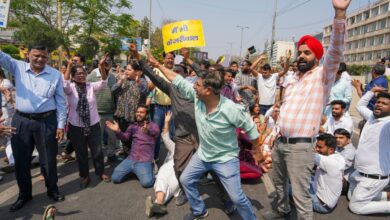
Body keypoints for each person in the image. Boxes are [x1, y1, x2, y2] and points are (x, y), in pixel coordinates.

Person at [146, 48, 261, 220]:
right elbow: (175, 78)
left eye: (198, 85)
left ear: (208, 91)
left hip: (226, 159)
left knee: (237, 197)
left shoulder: (231, 109)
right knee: (185, 180)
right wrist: (157, 65)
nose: (194, 85)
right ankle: (199, 210)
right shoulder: (196, 96)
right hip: (203, 155)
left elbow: (252, 129)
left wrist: (257, 151)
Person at [262, 1, 350, 219]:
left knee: (301, 195)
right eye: (300, 52)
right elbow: (283, 114)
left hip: (301, 147)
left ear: (317, 57)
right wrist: (271, 138)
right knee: (279, 183)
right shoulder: (291, 79)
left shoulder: (323, 76)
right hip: (281, 142)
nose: (301, 56)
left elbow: (336, 50)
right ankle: (282, 211)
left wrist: (340, 13)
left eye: (307, 53)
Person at [0, 44, 67, 212]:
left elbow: (60, 102)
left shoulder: (55, 74)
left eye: (43, 56)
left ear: (48, 57)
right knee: (21, 161)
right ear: (28, 54)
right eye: (36, 55)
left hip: (47, 122)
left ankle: (52, 190)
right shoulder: (17, 66)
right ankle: (24, 194)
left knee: (48, 159)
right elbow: (2, 56)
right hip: (21, 121)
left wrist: (60, 125)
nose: (39, 59)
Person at [63, 55, 111, 188]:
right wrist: (68, 66)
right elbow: (65, 84)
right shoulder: (70, 88)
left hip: (93, 124)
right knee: (81, 152)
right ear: (73, 76)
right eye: (78, 74)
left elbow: (104, 83)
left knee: (97, 150)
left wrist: (101, 67)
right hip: (76, 126)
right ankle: (84, 176)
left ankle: (100, 172)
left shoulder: (91, 86)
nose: (81, 75)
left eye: (83, 73)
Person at [348, 87, 390, 215]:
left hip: (373, 177)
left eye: (384, 104)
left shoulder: (387, 124)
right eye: (378, 102)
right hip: (359, 173)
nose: (379, 104)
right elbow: (360, 106)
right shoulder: (371, 116)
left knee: (355, 207)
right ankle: (385, 196)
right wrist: (372, 91)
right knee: (351, 196)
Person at [107, 105, 159, 188]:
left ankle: (151, 167)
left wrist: (147, 131)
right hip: (131, 159)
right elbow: (125, 138)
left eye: (141, 112)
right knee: (115, 178)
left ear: (147, 115)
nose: (138, 114)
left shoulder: (153, 126)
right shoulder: (132, 126)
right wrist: (118, 131)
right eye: (137, 112)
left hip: (144, 161)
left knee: (147, 183)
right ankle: (135, 171)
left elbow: (156, 133)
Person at [145, 112, 179, 218]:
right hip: (170, 166)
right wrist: (166, 123)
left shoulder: (195, 151)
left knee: (172, 187)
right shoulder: (175, 147)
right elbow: (165, 138)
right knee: (163, 176)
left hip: (182, 172)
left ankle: (156, 204)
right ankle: (158, 203)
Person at [87, 57, 120, 162]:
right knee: (98, 137)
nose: (106, 66)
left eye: (108, 64)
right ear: (99, 65)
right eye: (104, 64)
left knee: (112, 136)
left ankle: (111, 154)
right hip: (96, 112)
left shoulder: (113, 77)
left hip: (110, 111)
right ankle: (98, 156)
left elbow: (115, 94)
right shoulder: (92, 76)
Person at [112, 60, 148, 154]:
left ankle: (136, 161)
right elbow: (113, 91)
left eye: (129, 70)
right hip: (122, 117)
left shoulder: (142, 81)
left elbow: (144, 92)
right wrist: (120, 81)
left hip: (135, 118)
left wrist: (138, 82)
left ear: (136, 71)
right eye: (125, 69)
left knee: (136, 141)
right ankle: (127, 159)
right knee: (125, 141)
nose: (126, 71)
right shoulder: (123, 81)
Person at [310, 134, 345, 213]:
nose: (316, 149)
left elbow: (306, 153)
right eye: (316, 146)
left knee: (289, 188)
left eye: (320, 147)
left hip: (321, 204)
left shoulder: (328, 161)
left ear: (331, 150)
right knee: (302, 179)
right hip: (329, 201)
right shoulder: (337, 156)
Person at [152, 51, 175, 160]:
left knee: (171, 135)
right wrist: (154, 78)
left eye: (172, 58)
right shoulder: (156, 70)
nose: (170, 60)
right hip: (158, 108)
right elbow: (149, 87)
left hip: (172, 109)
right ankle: (154, 158)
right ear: (163, 59)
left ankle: (171, 159)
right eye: (168, 58)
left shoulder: (175, 73)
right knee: (156, 134)